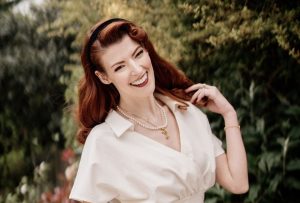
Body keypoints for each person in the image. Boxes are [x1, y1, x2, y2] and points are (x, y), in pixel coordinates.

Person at [69, 18, 248, 203]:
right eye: (120, 66)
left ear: (146, 50)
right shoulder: (104, 141)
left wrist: (229, 114)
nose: (137, 69)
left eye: (138, 54)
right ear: (104, 77)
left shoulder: (188, 113)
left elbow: (238, 183)